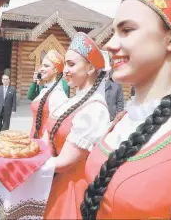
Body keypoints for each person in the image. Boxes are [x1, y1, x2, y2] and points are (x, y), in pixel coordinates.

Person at [80, 0, 171, 219]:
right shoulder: (125, 119)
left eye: (127, 30)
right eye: (113, 32)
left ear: (170, 39)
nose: (109, 45)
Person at [43, 32, 110, 219]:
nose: (64, 70)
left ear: (89, 68)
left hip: (72, 190)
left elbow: (64, 163)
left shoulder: (95, 109)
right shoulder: (74, 100)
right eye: (65, 64)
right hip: (54, 182)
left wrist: (25, 165)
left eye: (71, 64)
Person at [29, 49, 68, 139]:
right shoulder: (44, 90)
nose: (41, 69)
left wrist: (44, 148)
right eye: (42, 66)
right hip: (35, 139)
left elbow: (55, 128)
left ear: (55, 70)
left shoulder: (58, 95)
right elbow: (30, 96)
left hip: (44, 144)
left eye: (46, 66)